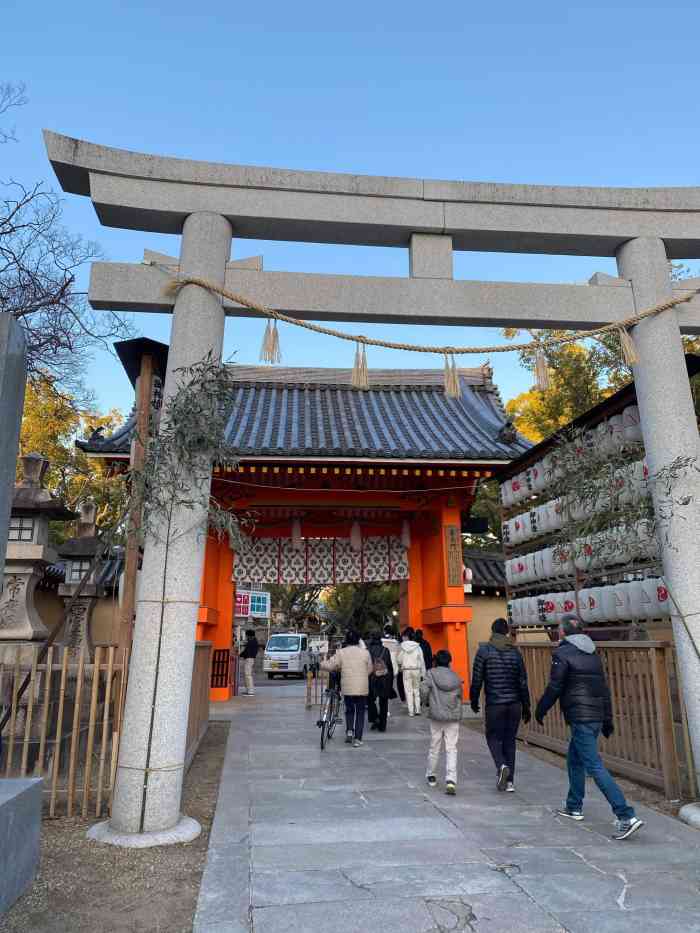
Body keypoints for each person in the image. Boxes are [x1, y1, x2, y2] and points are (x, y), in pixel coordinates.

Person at [535, 614, 644, 841]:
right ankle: (574, 806)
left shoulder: (562, 653)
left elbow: (555, 686)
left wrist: (541, 708)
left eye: (558, 629)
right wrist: (607, 719)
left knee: (594, 766)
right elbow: (603, 689)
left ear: (563, 632)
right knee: (574, 760)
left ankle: (626, 815)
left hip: (580, 717)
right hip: (593, 716)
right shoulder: (593, 654)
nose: (557, 632)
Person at [470, 618, 530, 792]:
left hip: (495, 704)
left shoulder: (484, 651)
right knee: (510, 740)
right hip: (515, 704)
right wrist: (526, 706)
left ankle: (501, 765)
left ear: (492, 631)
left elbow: (477, 679)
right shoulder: (516, 653)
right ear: (506, 632)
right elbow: (523, 682)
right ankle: (510, 782)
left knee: (493, 737)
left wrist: (473, 700)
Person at [420, 649, 463, 795]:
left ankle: (431, 775)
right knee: (452, 748)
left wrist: (426, 703)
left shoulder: (431, 674)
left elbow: (424, 690)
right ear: (449, 662)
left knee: (435, 745)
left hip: (436, 715)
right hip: (452, 716)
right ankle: (451, 779)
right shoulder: (456, 677)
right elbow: (459, 697)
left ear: (436, 661)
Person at [321, 629, 373, 747]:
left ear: (347, 640)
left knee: (349, 709)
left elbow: (331, 665)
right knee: (360, 712)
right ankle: (358, 739)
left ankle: (349, 731)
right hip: (362, 687)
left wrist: (321, 663)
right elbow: (370, 669)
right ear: (358, 640)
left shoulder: (341, 652)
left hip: (348, 687)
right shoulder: (365, 653)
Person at [367, 631, 394, 732]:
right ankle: (382, 725)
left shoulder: (368, 650)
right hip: (384, 678)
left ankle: (375, 719)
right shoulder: (385, 650)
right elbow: (390, 666)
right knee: (383, 702)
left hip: (371, 678)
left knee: (370, 700)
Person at [397, 627, 426, 716]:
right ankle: (418, 709)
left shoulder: (402, 647)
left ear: (406, 636)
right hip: (416, 670)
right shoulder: (418, 647)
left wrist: (400, 665)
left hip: (406, 670)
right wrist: (423, 674)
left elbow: (399, 659)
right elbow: (421, 660)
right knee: (416, 690)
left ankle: (411, 711)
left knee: (408, 691)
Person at [240, 628, 259, 697]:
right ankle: (248, 690)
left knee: (248, 675)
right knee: (247, 674)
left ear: (249, 635)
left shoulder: (252, 642)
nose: (246, 637)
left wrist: (240, 655)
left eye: (247, 636)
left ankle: (250, 691)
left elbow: (246, 651)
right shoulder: (253, 641)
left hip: (249, 659)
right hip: (249, 659)